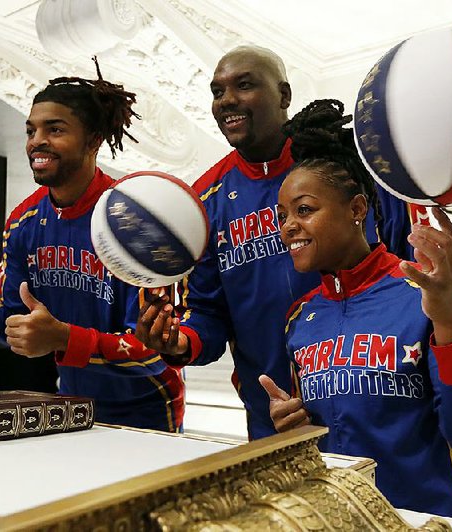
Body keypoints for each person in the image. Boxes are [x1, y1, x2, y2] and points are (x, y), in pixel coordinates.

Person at [136, 45, 425, 439]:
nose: (227, 101)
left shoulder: (352, 168)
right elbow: (207, 313)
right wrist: (178, 342)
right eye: (217, 91)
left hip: (380, 407)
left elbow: (413, 276)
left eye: (245, 85)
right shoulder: (203, 202)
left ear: (284, 95)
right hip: (274, 414)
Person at [0, 64, 184, 432]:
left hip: (148, 413)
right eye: (30, 130)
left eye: (54, 129)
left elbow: (154, 350)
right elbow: (10, 321)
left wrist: (63, 338)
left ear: (93, 141)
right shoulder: (23, 221)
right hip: (72, 408)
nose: (36, 141)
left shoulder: (137, 217)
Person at [259, 98, 452, 520]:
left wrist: (449, 319)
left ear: (357, 209)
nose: (288, 226)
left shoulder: (429, 296)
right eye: (282, 215)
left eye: (304, 210)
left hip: (429, 524)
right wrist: (296, 429)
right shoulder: (300, 318)